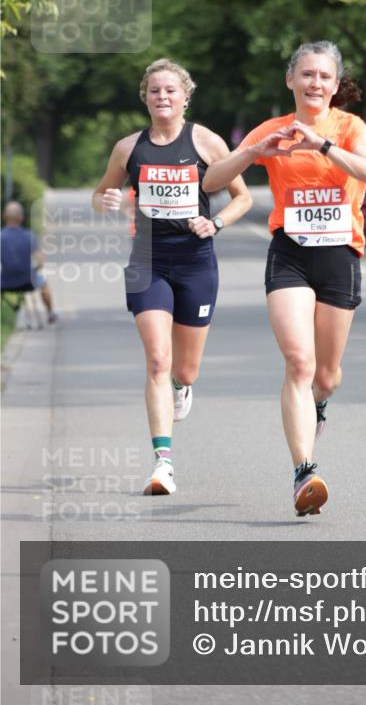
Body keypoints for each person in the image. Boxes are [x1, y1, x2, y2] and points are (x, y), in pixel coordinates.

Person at [203, 41, 366, 516]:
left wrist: (323, 145)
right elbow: (211, 181)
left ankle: (317, 406)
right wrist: (254, 151)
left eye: (324, 76)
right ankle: (305, 471)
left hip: (340, 253)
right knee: (299, 363)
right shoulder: (272, 129)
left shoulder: (349, 126)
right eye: (306, 75)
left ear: (335, 83)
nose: (315, 84)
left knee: (326, 375)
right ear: (291, 80)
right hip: (290, 254)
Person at [92, 59, 252, 496]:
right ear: (145, 97)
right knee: (158, 360)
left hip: (196, 261)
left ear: (185, 96)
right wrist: (104, 200)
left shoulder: (205, 141)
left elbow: (242, 197)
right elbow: (100, 193)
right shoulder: (128, 148)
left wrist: (215, 223)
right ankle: (163, 463)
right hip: (147, 260)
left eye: (170, 90)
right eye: (155, 91)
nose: (163, 97)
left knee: (185, 368)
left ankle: (182, 387)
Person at [1, 200, 57, 323]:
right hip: (28, 281)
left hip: (4, 282)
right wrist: (34, 270)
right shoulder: (29, 236)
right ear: (21, 218)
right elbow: (41, 261)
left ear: (4, 216)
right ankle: (51, 314)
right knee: (44, 284)